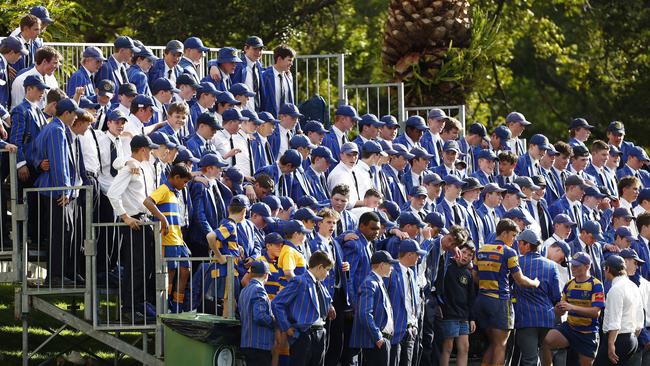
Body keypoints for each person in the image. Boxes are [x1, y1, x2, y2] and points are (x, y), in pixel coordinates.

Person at [472, 218, 540, 366]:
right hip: (500, 301)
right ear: (504, 233)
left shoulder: (481, 249)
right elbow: (520, 280)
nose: (515, 240)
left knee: (493, 343)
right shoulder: (508, 252)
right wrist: (535, 283)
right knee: (501, 345)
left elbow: (475, 276)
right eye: (513, 235)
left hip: (482, 300)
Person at [106, 134, 159, 321]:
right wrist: (125, 217)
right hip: (133, 221)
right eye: (149, 149)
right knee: (135, 266)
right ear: (143, 149)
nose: (151, 152)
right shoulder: (130, 168)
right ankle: (128, 307)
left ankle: (138, 304)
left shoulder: (140, 166)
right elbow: (113, 194)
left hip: (142, 219)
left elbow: (118, 162)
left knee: (143, 266)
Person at [142, 164, 192, 312]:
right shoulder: (164, 189)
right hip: (168, 239)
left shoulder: (175, 192)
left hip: (178, 238)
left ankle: (177, 303)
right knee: (170, 271)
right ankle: (164, 304)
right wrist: (162, 218)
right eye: (184, 182)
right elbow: (147, 202)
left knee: (185, 268)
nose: (185, 185)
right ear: (176, 178)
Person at [272, 250, 335, 366]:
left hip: (320, 332)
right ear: (320, 267)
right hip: (304, 333)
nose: (328, 274)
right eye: (327, 270)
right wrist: (287, 327)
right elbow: (277, 303)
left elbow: (325, 299)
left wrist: (330, 306)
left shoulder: (320, 284)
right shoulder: (299, 281)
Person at [542, 252, 605, 366]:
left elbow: (596, 312)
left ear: (587, 267)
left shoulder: (596, 285)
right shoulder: (569, 284)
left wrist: (571, 307)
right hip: (570, 328)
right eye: (572, 265)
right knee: (547, 341)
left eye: (577, 265)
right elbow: (560, 312)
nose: (573, 268)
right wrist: (558, 309)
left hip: (587, 333)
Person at [513, 229, 562, 366]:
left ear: (527, 245)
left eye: (520, 243)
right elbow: (556, 295)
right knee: (542, 357)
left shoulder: (516, 262)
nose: (518, 246)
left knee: (530, 360)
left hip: (526, 318)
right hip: (546, 319)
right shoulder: (551, 265)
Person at [593, 255, 644, 366]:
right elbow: (640, 319)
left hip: (617, 339)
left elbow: (615, 322)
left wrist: (611, 344)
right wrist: (632, 338)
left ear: (607, 269)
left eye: (604, 269)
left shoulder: (615, 289)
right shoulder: (633, 286)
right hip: (632, 339)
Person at [349, 250, 397, 366]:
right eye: (389, 264)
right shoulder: (370, 283)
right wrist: (378, 337)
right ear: (381, 265)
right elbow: (364, 314)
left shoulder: (376, 281)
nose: (392, 268)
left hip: (381, 340)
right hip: (375, 342)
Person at [204, 195, 248, 316]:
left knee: (230, 302)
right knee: (228, 303)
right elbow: (210, 236)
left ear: (229, 209)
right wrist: (219, 256)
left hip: (229, 269)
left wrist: (237, 247)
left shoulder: (226, 223)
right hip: (227, 270)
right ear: (244, 211)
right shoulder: (231, 225)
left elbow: (222, 241)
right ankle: (226, 328)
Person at [438, 241, 476, 366]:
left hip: (463, 316)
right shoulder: (446, 267)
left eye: (470, 255)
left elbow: (471, 297)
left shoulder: (468, 274)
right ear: (457, 251)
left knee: (464, 348)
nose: (465, 256)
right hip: (449, 315)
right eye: (464, 252)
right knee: (447, 347)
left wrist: (472, 318)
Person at [239, 260, 275, 366]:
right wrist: (274, 320)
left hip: (247, 343)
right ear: (266, 275)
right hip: (260, 344)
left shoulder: (244, 291)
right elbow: (260, 317)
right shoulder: (259, 290)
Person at [95, 37, 140, 103]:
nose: (132, 55)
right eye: (131, 52)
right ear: (121, 50)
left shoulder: (122, 67)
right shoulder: (106, 67)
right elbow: (102, 96)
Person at [260, 45, 295, 117]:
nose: (291, 63)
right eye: (289, 60)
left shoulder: (288, 77)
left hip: (286, 124)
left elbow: (291, 103)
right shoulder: (265, 76)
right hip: (270, 123)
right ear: (279, 59)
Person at [232, 36, 265, 111]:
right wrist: (213, 65)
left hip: (256, 113)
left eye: (260, 49)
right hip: (242, 112)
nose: (258, 52)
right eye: (255, 49)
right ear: (246, 48)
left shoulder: (258, 66)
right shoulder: (238, 65)